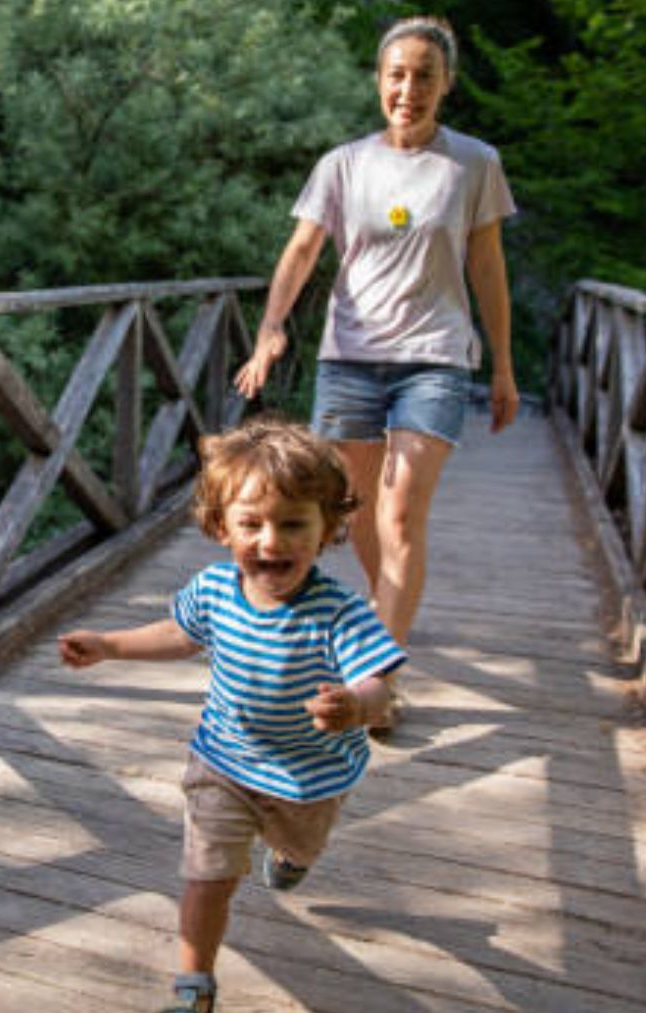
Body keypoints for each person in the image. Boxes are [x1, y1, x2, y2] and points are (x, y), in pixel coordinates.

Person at [58, 417, 406, 1013]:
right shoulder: (215, 590)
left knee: (301, 849)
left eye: (294, 524)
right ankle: (194, 985)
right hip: (222, 762)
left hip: (309, 778)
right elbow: (178, 633)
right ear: (222, 527)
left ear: (328, 530)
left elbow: (381, 683)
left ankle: (290, 857)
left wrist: (357, 706)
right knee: (208, 875)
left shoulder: (339, 613)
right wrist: (111, 644)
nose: (271, 542)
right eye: (251, 524)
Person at [233, 16, 518, 697]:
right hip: (351, 356)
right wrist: (272, 325)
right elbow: (302, 248)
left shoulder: (474, 163)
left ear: (446, 83)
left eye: (425, 75)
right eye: (397, 74)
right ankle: (385, 601)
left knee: (398, 514)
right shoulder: (344, 164)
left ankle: (376, 680)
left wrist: (503, 364)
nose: (408, 88)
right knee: (354, 510)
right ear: (379, 80)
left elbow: (486, 265)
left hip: (436, 357)